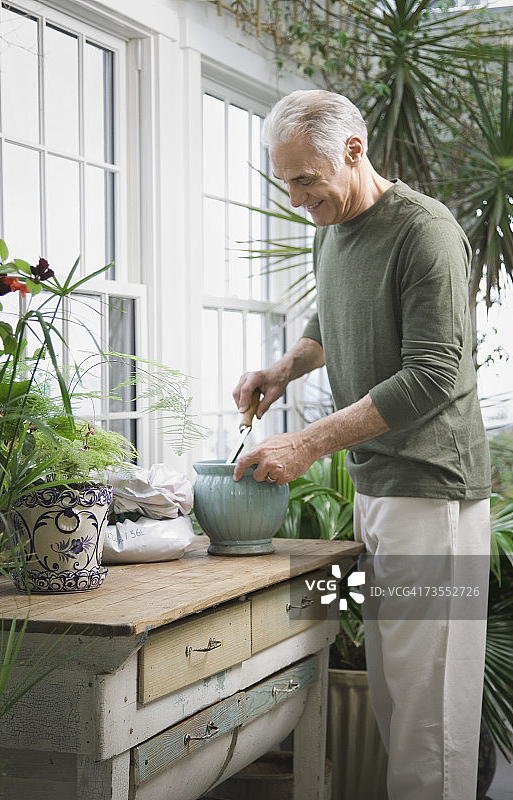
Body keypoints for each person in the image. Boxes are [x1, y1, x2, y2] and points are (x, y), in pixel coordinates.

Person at [232, 89, 491, 800]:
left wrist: (307, 445)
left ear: (354, 151)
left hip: (432, 494)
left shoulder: (425, 232)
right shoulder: (332, 224)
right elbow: (332, 309)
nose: (295, 198)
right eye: (285, 182)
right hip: (377, 486)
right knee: (394, 700)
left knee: (428, 724)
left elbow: (435, 373)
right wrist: (283, 370)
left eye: (305, 181)